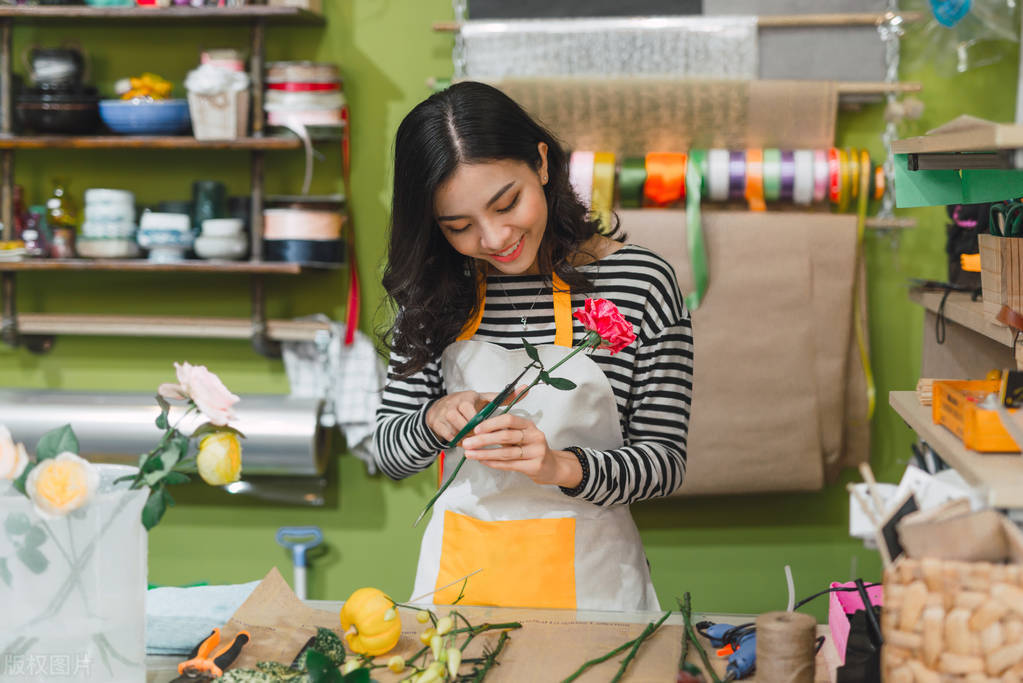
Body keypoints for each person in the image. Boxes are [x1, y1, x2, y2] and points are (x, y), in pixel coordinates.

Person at [374, 81, 693, 612]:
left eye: (507, 203)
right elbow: (390, 453)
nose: (495, 238)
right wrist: (435, 419)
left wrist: (559, 467)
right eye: (459, 226)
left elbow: (664, 463)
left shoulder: (640, 283)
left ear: (542, 164)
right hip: (461, 584)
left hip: (596, 587)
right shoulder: (434, 287)